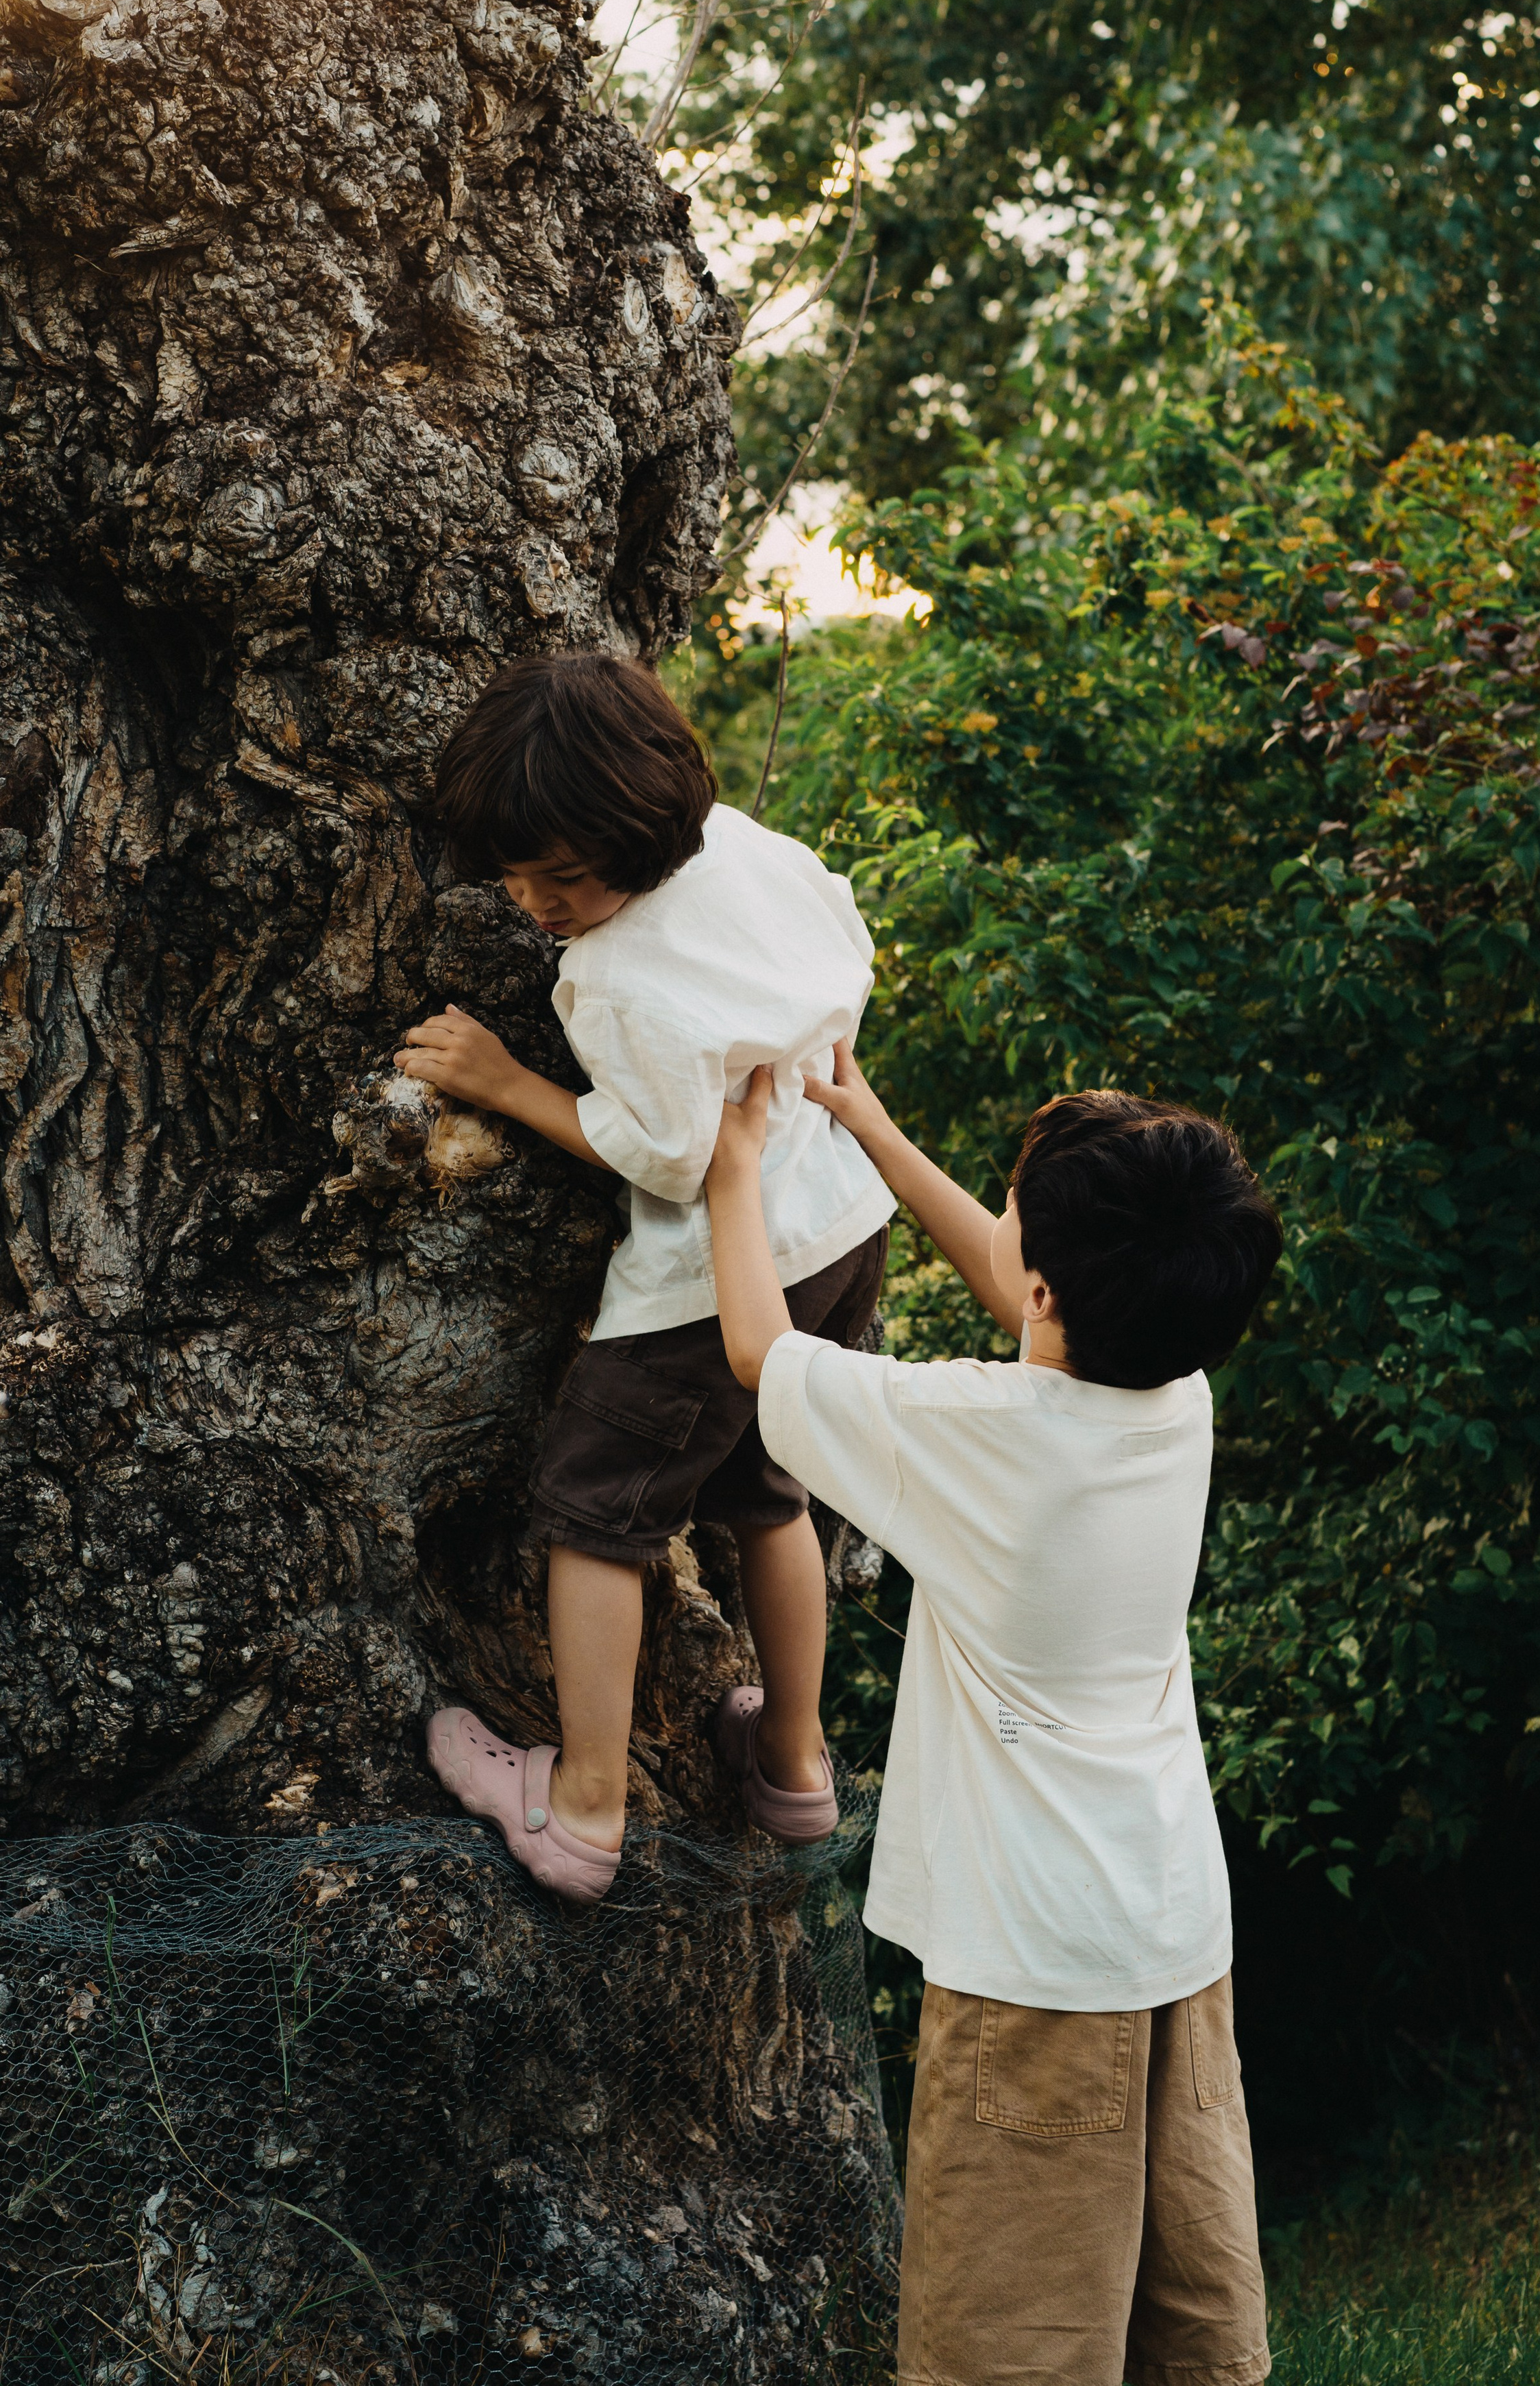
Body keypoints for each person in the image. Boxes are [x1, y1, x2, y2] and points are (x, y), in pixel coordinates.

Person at [702, 1040, 1282, 2386]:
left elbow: (754, 1347)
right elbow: (1025, 1292)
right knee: (1181, 2325)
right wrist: (871, 1129)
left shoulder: (978, 1434)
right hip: (1170, 1932)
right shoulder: (1174, 1396)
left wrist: (730, 1168)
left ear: (1047, 1287)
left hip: (1034, 1967)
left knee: (1004, 2346)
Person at [396, 654, 895, 1904]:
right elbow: (849, 938)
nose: (532, 905)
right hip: (841, 1215)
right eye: (513, 876)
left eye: (559, 880)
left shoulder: (617, 980)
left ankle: (582, 1811)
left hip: (706, 1285)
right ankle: (792, 1768)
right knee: (771, 1492)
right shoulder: (744, 844)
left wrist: (508, 1083)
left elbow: (673, 1158)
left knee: (594, 1514)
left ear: (631, 829)